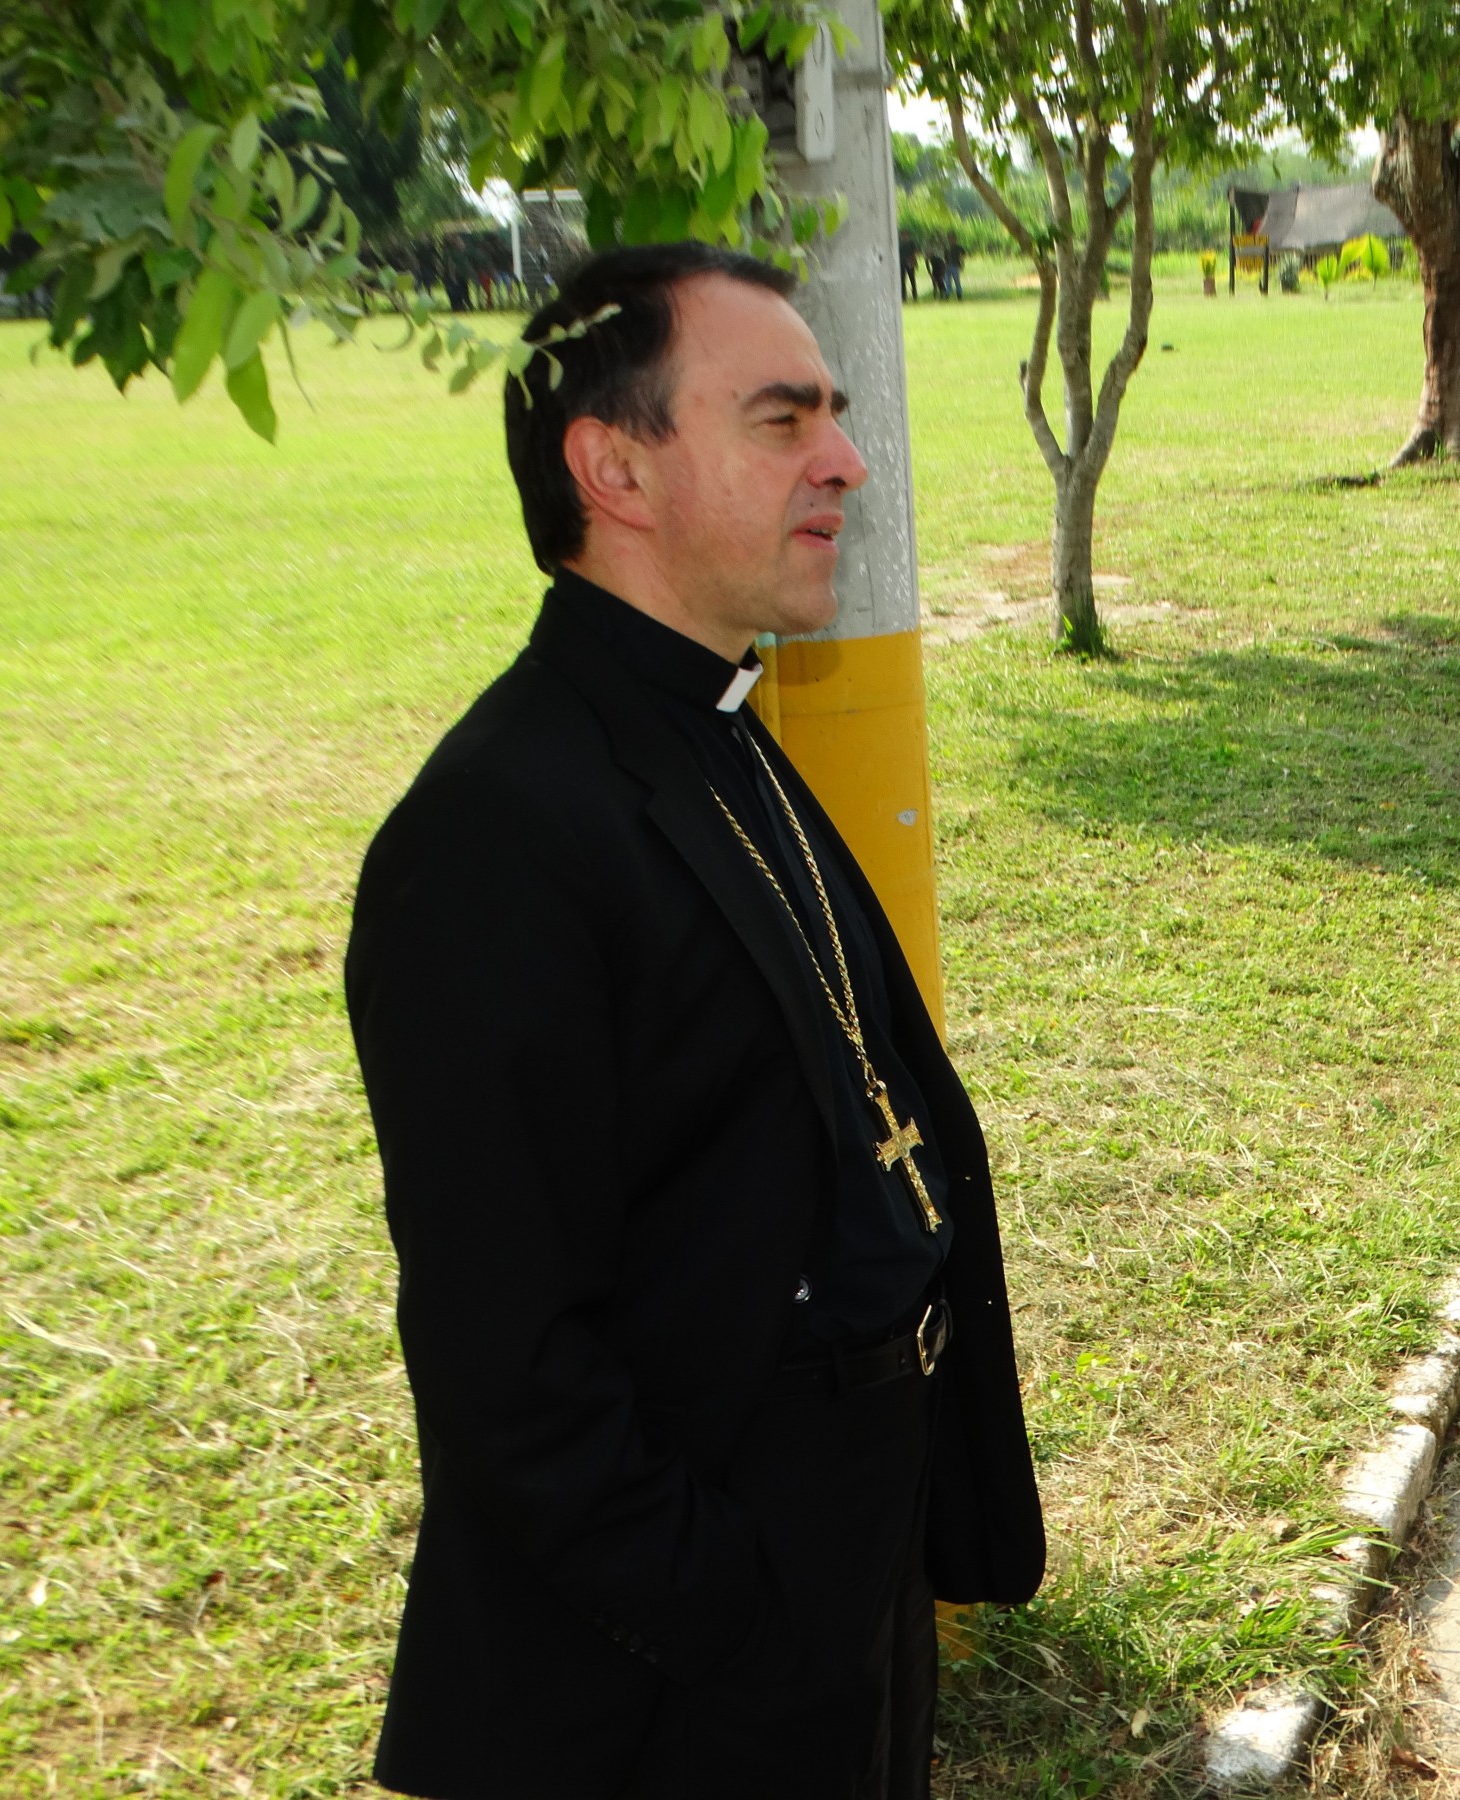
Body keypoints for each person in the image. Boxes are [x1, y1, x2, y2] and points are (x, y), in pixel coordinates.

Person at [344, 242, 1045, 1800]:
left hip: (830, 1583)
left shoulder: (715, 719)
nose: (846, 461)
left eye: (835, 417)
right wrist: (745, 1623)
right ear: (617, 469)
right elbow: (504, 1364)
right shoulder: (494, 838)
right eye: (783, 420)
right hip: (666, 1691)